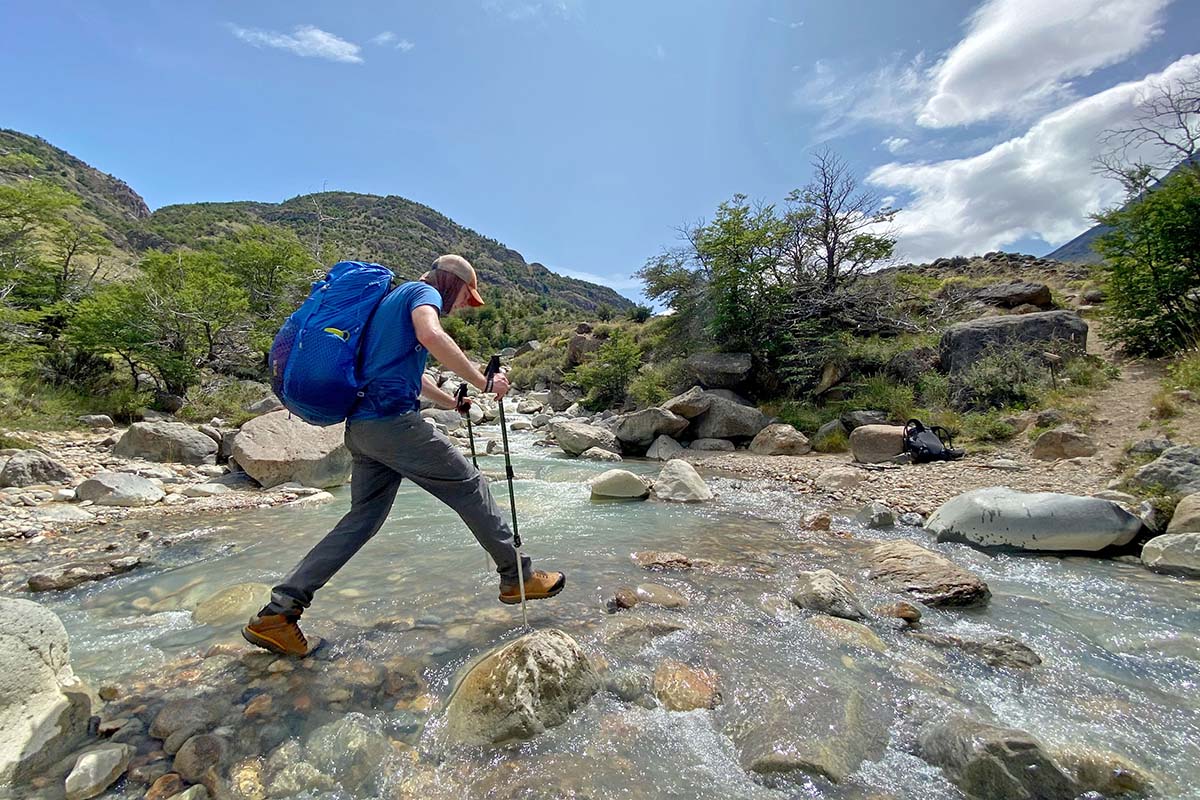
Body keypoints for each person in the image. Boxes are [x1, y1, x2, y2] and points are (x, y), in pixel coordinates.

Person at [242, 254, 566, 657]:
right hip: (393, 425)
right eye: (468, 296)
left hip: (362, 431)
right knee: (469, 485)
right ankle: (518, 577)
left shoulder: (386, 307)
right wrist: (485, 380)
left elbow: (416, 375)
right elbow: (431, 336)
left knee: (362, 520)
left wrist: (452, 403)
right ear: (454, 282)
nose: (466, 305)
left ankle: (279, 612)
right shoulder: (421, 291)